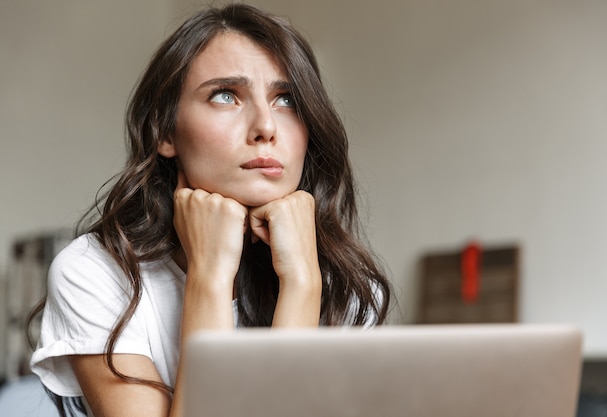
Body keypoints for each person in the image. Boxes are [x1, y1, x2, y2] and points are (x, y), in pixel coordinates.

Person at [29, 3, 392, 417]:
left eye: (287, 99)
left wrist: (304, 285)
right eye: (226, 95)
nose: (266, 127)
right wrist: (209, 276)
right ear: (164, 131)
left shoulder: (346, 286)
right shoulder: (96, 273)